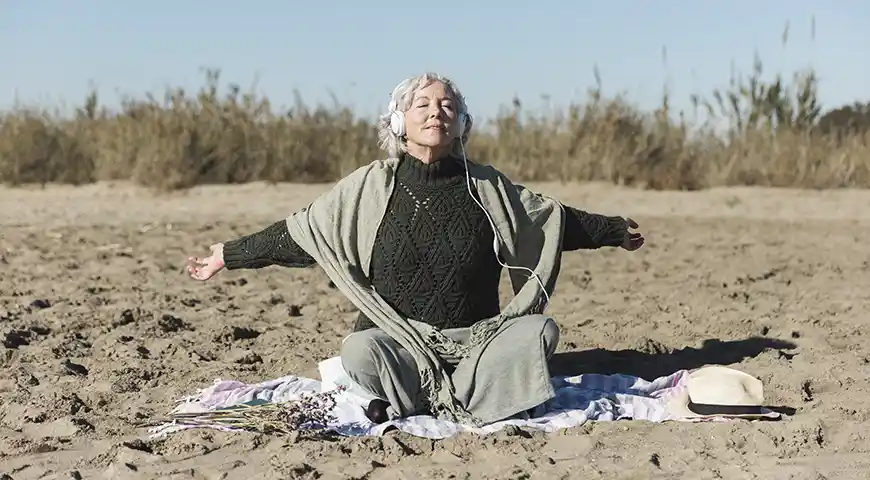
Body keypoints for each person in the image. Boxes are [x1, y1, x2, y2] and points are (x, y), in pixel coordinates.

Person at [186, 72, 644, 427]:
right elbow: (302, 234)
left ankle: (445, 396)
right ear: (397, 121)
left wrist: (613, 230)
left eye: (448, 106)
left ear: (462, 123)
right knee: (359, 351)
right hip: (398, 343)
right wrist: (228, 255)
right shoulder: (367, 187)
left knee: (539, 331)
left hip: (476, 342)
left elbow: (550, 220)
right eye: (422, 105)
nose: (435, 113)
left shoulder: (487, 186)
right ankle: (461, 397)